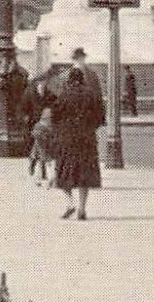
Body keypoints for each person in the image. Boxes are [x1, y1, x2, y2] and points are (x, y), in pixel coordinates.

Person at [52, 49, 105, 220]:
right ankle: (82, 208)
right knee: (85, 174)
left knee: (63, 172)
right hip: (86, 138)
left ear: (69, 79)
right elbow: (100, 117)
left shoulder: (63, 95)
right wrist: (89, 128)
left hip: (67, 138)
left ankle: (70, 202)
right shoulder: (91, 94)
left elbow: (55, 116)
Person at [29, 106, 56, 184]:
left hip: (43, 148)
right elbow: (36, 135)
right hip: (41, 148)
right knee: (45, 162)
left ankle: (40, 179)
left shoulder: (42, 126)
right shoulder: (42, 126)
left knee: (42, 162)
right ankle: (46, 178)